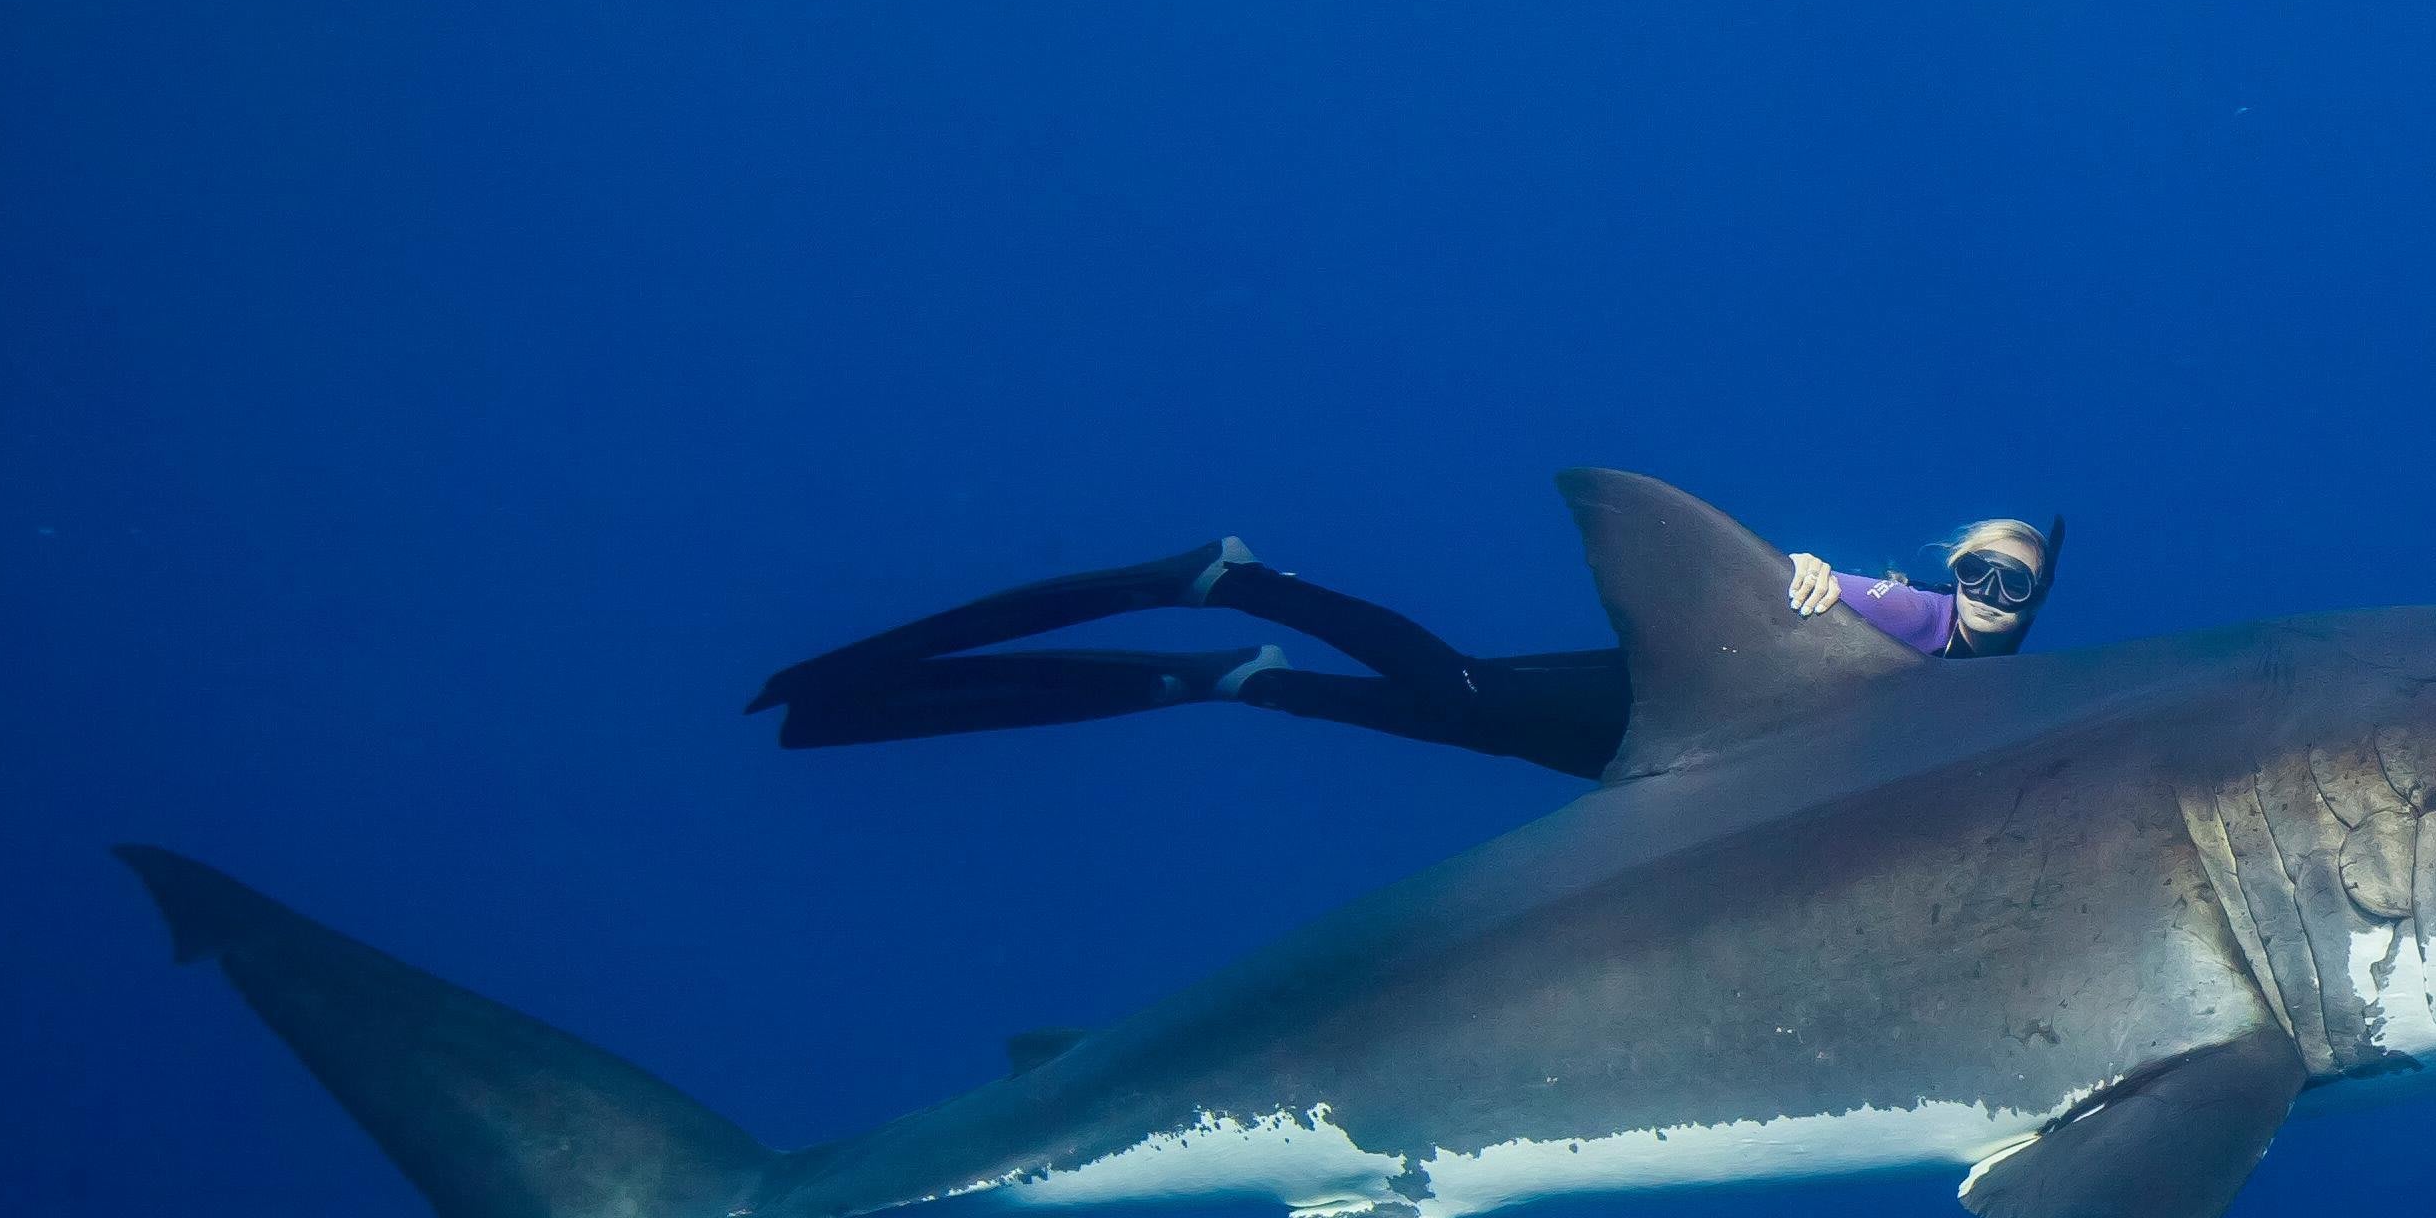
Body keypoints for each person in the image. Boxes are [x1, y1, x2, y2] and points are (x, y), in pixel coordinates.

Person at [750, 513, 2059, 784]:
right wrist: (1809, 582)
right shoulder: (1919, 623)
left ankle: (1242, 679)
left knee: (1452, 721)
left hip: (1662, 756)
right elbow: (1802, 593)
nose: (1992, 595)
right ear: (1950, 571)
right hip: (1662, 702)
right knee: (1466, 686)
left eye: (2017, 583)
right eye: (1980, 570)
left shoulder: (1985, 683)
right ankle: (1235, 585)